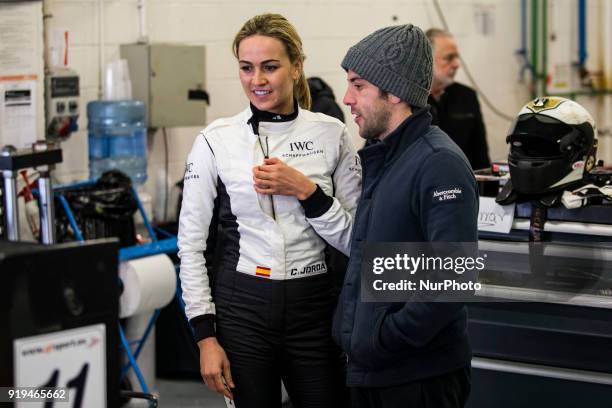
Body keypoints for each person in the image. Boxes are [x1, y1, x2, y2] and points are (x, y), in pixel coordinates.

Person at [177, 13, 361, 408]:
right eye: (246, 68)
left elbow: (356, 239)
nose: (257, 80)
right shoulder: (215, 140)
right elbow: (190, 246)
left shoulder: (332, 134)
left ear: (296, 68)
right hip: (242, 309)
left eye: (270, 67)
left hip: (314, 309)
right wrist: (205, 337)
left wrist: (309, 193)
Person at [334, 24, 478, 407]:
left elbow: (454, 276)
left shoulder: (438, 163)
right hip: (375, 369)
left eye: (358, 85)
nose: (347, 98)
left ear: (394, 91)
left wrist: (386, 336)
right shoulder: (384, 158)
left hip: (417, 378)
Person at [426, 28, 491, 170]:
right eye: (449, 58)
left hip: (462, 184)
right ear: (427, 60)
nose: (456, 64)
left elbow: (481, 155)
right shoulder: (406, 101)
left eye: (456, 57)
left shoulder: (467, 97)